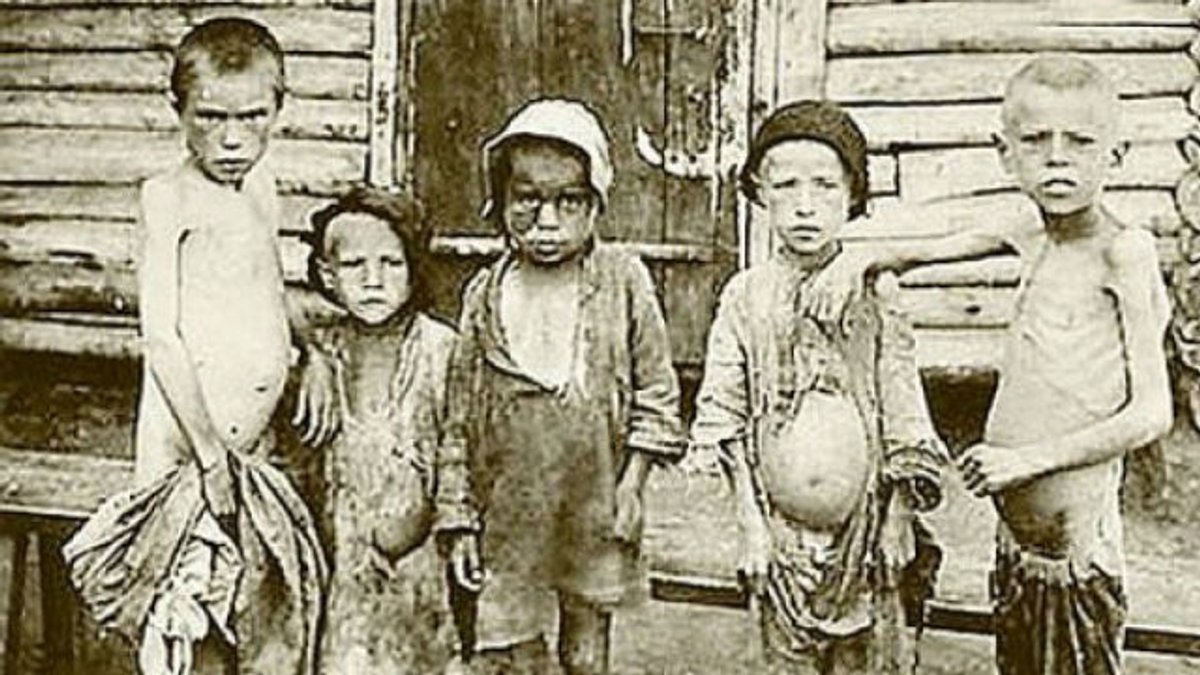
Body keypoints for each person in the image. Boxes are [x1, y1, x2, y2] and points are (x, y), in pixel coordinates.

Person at [804, 54, 1174, 674]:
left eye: (1080, 142)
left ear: (1117, 155)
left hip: (1076, 563)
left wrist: (1025, 461)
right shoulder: (1030, 231)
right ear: (1005, 154)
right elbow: (927, 249)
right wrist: (859, 261)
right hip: (1019, 555)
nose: (1057, 159)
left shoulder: (1124, 253)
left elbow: (1152, 414)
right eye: (1036, 141)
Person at [64, 18, 334, 675]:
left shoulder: (261, 186)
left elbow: (270, 285)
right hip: (189, 452)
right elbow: (162, 337)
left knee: (251, 613)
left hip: (253, 451)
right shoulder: (168, 198)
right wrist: (210, 454)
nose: (233, 138)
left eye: (253, 116)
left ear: (279, 108)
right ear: (178, 110)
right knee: (191, 623)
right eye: (211, 117)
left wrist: (313, 353)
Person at [690, 100, 948, 674]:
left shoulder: (876, 293)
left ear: (853, 195)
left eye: (826, 186)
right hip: (781, 543)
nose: (805, 205)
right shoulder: (746, 296)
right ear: (758, 192)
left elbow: (904, 408)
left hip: (867, 540)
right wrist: (751, 527)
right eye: (785, 185)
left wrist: (899, 517)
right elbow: (724, 413)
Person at [434, 98, 686, 675]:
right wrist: (459, 518)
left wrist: (632, 486)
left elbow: (657, 393)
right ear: (500, 202)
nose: (547, 221)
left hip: (593, 498)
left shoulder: (623, 281)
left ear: (595, 204)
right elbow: (458, 420)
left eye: (568, 201)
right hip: (508, 503)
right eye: (527, 199)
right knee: (505, 647)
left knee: (584, 648)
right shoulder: (484, 295)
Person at [300, 186, 461, 673]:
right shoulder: (325, 353)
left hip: (423, 564)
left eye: (391, 263)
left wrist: (432, 516)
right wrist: (310, 355)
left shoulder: (440, 350)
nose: (374, 281)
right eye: (354, 266)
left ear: (414, 268)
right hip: (343, 557)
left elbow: (463, 447)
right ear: (328, 274)